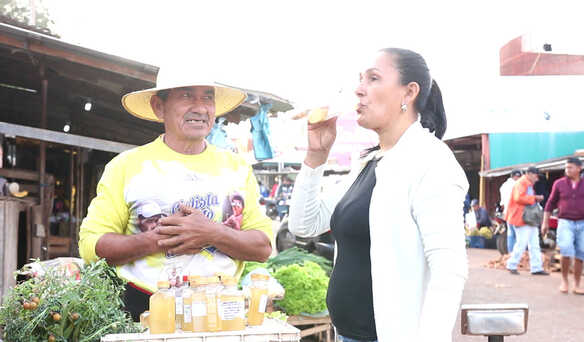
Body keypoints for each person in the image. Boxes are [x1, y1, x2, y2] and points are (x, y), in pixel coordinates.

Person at [288, 48, 468, 342]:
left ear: (408, 93)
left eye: (373, 79)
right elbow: (304, 225)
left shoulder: (430, 162)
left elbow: (449, 270)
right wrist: (316, 155)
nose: (359, 90)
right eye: (360, 80)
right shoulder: (370, 163)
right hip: (349, 335)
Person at [78, 70, 273, 321]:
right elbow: (91, 246)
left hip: (221, 313)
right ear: (159, 107)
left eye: (208, 97)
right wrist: (159, 239)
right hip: (143, 310)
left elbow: (263, 247)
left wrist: (212, 233)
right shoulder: (127, 166)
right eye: (186, 96)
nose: (200, 108)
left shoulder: (236, 167)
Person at [541, 157, 584, 294]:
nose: (567, 170)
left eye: (570, 167)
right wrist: (545, 222)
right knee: (565, 249)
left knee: (581, 253)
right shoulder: (559, 184)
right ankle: (565, 281)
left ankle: (577, 284)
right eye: (566, 168)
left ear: (579, 168)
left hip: (582, 222)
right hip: (565, 222)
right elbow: (550, 203)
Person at [505, 166, 548, 275]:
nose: (537, 179)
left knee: (534, 243)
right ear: (529, 174)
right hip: (521, 217)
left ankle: (536, 267)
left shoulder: (526, 183)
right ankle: (511, 264)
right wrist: (535, 198)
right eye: (536, 176)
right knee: (522, 242)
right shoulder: (522, 183)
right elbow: (518, 198)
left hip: (528, 218)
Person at [499, 169, 522, 253]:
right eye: (519, 176)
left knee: (510, 233)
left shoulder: (504, 185)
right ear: (515, 176)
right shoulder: (517, 185)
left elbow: (502, 203)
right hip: (516, 212)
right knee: (517, 234)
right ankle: (516, 254)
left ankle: (510, 253)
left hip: (507, 212)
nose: (519, 178)